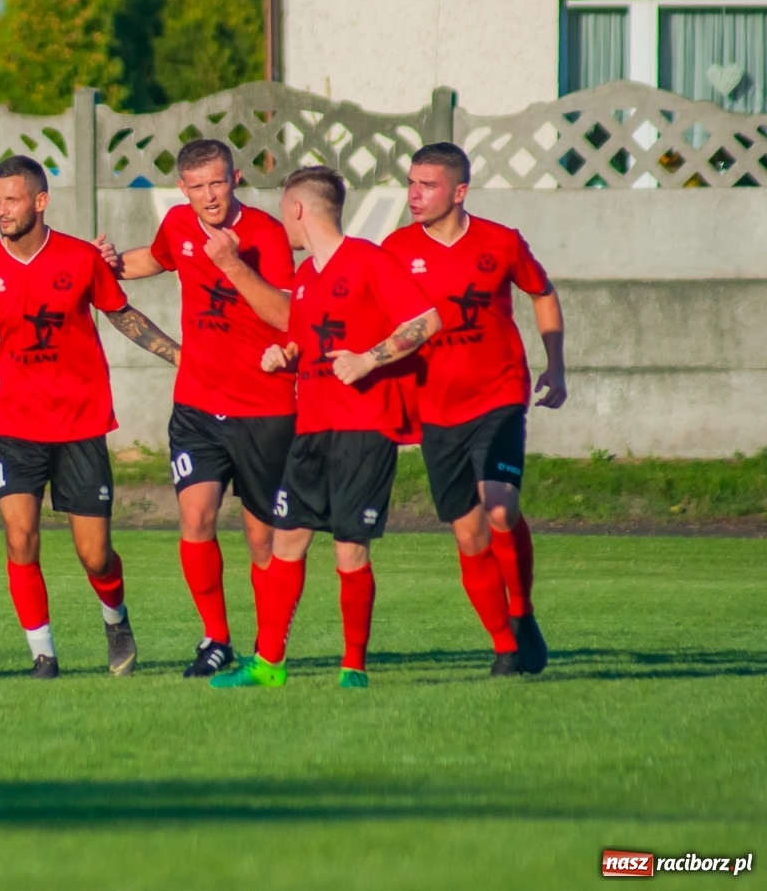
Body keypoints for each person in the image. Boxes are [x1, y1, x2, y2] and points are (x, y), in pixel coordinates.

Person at [211, 166, 439, 690]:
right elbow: (306, 345)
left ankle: (353, 665)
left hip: (365, 426)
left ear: (298, 209)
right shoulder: (307, 276)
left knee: (348, 549)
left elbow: (425, 321)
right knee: (286, 541)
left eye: (283, 210)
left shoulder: (369, 260)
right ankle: (269, 664)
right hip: (311, 429)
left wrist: (368, 359)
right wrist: (283, 354)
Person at [0, 155, 179, 679]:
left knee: (95, 554)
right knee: (19, 537)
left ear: (40, 201)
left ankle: (116, 619)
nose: (2, 209)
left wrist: (178, 354)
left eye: (12, 199)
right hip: (16, 425)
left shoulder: (82, 258)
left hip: (80, 424)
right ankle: (43, 653)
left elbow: (120, 311)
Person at [109, 139, 296, 677]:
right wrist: (114, 264)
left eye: (217, 182)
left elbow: (286, 314)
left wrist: (232, 263)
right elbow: (158, 257)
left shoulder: (265, 233)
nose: (209, 196)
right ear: (182, 188)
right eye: (197, 187)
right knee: (196, 519)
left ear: (235, 177)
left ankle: (267, 653)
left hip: (264, 408)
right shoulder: (177, 224)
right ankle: (216, 639)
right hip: (196, 402)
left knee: (262, 538)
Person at [382, 142, 565, 674]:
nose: (415, 195)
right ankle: (503, 645)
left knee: (502, 507)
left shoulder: (501, 241)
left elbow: (543, 291)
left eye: (428, 185)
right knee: (469, 533)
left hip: (499, 394)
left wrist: (555, 364)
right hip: (435, 407)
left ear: (459, 191)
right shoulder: (394, 249)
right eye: (411, 183)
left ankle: (522, 610)